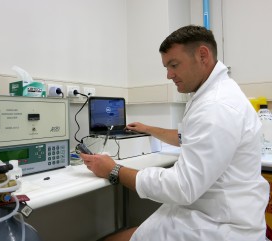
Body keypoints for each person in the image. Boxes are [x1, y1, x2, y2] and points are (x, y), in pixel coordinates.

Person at [80, 25, 269, 241]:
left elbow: (182, 187)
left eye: (174, 65)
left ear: (202, 55)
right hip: (215, 214)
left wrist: (113, 170)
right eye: (166, 67)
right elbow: (188, 137)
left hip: (216, 228)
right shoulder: (216, 94)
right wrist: (148, 129)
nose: (169, 75)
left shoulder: (216, 107)